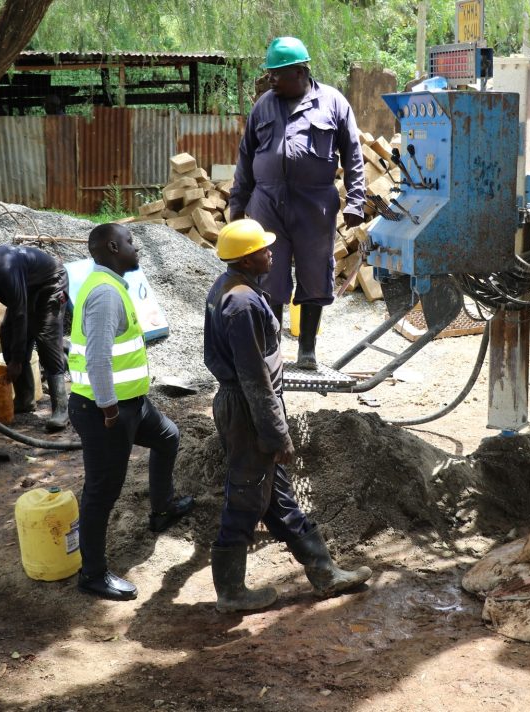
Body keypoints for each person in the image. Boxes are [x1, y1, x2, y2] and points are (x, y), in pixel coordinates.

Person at [204, 219, 371, 612]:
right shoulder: (242, 304)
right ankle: (230, 592)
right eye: (264, 249)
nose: (271, 253)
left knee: (277, 497)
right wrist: (277, 433)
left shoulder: (231, 287)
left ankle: (325, 573)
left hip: (243, 403)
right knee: (246, 497)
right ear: (247, 259)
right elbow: (254, 379)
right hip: (247, 409)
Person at [67, 224, 195, 600]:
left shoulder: (110, 285)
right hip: (104, 410)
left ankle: (162, 509)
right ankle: (92, 574)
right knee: (101, 491)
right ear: (112, 247)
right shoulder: (105, 293)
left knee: (168, 436)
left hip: (131, 405)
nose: (135, 248)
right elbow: (97, 358)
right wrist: (108, 408)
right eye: (130, 242)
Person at [229, 37, 366, 371]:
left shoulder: (333, 103)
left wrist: (356, 201)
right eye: (270, 73)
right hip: (267, 203)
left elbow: (353, 154)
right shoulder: (264, 106)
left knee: (315, 273)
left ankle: (307, 350)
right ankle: (272, 349)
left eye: (277, 73)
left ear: (300, 72)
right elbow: (246, 157)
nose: (271, 79)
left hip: (315, 204)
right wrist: (237, 206)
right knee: (268, 275)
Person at [0, 245, 71, 432]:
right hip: (26, 290)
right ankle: (25, 400)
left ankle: (61, 409)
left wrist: (16, 361)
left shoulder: (3, 268)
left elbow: (19, 313)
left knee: (46, 340)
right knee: (7, 335)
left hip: (50, 284)